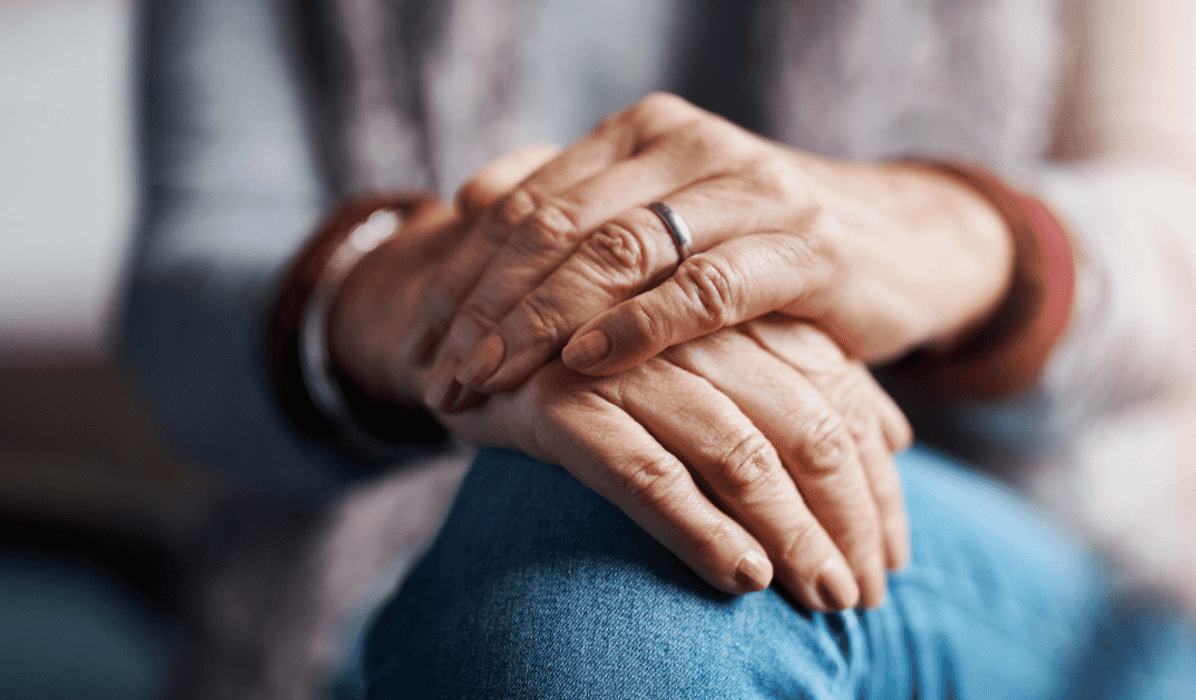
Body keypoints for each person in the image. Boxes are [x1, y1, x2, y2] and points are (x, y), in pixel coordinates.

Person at [127, 0, 1196, 696]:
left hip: (1049, 577)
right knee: (612, 492)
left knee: (612, 535)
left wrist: (945, 236)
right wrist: (436, 295)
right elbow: (189, 290)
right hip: (352, 603)